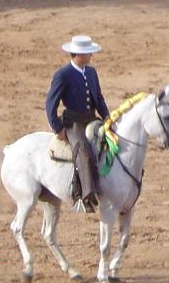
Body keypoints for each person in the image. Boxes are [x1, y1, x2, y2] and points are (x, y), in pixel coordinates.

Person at [45, 35, 111, 213]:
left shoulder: (91, 72)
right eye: (89, 53)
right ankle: (86, 194)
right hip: (73, 123)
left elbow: (99, 99)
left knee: (110, 143)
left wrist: (108, 118)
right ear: (79, 55)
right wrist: (58, 128)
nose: (91, 56)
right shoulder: (63, 74)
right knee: (83, 151)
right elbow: (51, 104)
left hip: (91, 118)